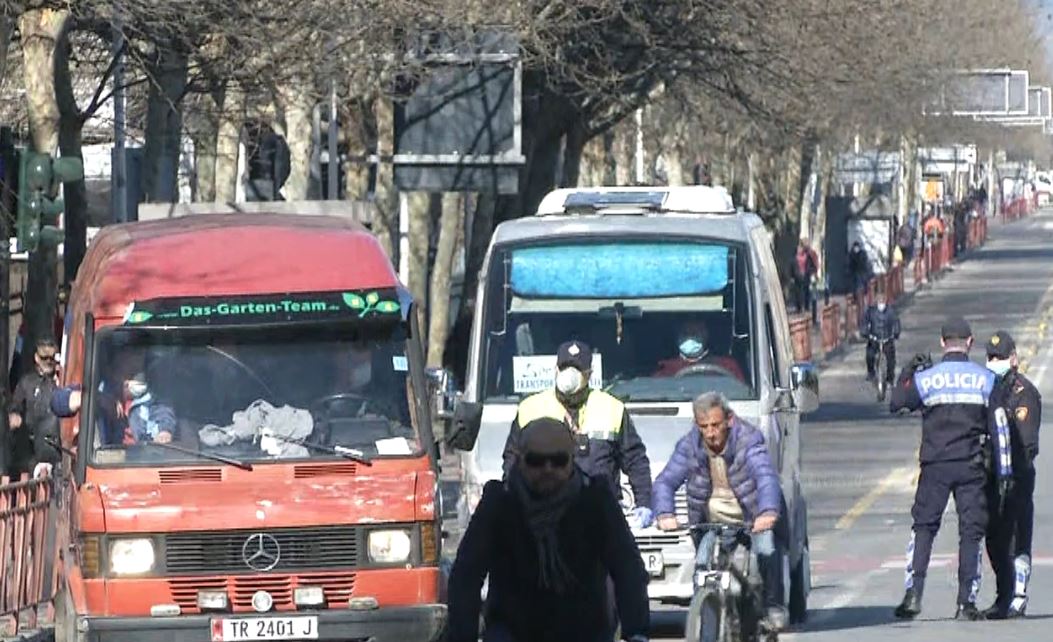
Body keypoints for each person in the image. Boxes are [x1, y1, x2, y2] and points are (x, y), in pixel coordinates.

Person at [447, 417, 650, 642]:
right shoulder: (501, 502)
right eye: (536, 461)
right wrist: (462, 635)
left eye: (558, 460)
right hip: (513, 631)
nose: (548, 469)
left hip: (583, 630)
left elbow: (627, 567)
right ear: (520, 460)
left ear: (572, 460)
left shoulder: (594, 500)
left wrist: (636, 631)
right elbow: (466, 574)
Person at [651, 391, 787, 631]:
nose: (711, 433)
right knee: (702, 565)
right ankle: (707, 627)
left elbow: (766, 476)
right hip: (712, 522)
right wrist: (664, 513)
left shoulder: (749, 441)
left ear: (729, 420)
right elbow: (666, 481)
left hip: (751, 518)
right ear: (697, 425)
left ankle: (773, 605)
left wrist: (767, 512)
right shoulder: (689, 446)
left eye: (716, 425)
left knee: (765, 551)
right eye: (704, 427)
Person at [890, 317, 995, 621]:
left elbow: (897, 402)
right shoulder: (984, 379)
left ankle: (913, 594)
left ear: (942, 343)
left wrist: (908, 370)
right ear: (970, 342)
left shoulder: (928, 379)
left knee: (923, 528)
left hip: (934, 466)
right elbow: (997, 425)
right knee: (970, 533)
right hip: (970, 465)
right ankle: (966, 602)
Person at [502, 340, 653, 530]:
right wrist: (511, 501)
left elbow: (635, 459)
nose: (569, 374)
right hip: (544, 515)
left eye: (576, 369)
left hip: (600, 516)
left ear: (589, 374)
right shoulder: (530, 408)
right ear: (556, 370)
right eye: (565, 367)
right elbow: (512, 462)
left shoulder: (611, 408)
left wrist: (644, 502)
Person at [982, 331, 1041, 619]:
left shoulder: (1024, 392)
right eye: (991, 358)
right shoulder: (985, 390)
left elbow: (1027, 443)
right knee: (993, 538)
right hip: (991, 477)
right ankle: (1003, 594)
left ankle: (1018, 594)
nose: (995, 362)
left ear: (1013, 359)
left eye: (1001, 358)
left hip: (1018, 476)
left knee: (1018, 536)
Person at [7, 338, 60, 478]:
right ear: (36, 358)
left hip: (59, 453)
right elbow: (15, 406)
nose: (49, 361)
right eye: (44, 358)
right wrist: (15, 415)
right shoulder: (27, 383)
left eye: (52, 358)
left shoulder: (62, 381)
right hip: (34, 453)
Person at [653, 320, 746, 382]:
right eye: (686, 333)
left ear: (706, 335)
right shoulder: (665, 368)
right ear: (678, 336)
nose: (690, 338)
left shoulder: (727, 365)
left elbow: (741, 393)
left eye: (695, 333)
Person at [862, 292, 900, 384]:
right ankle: (871, 373)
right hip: (874, 338)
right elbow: (864, 322)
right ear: (876, 302)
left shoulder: (891, 311)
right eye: (879, 302)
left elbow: (896, 323)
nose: (881, 304)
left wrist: (896, 333)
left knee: (891, 360)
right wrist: (864, 332)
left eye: (883, 302)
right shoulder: (871, 311)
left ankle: (890, 379)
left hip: (887, 338)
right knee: (870, 355)